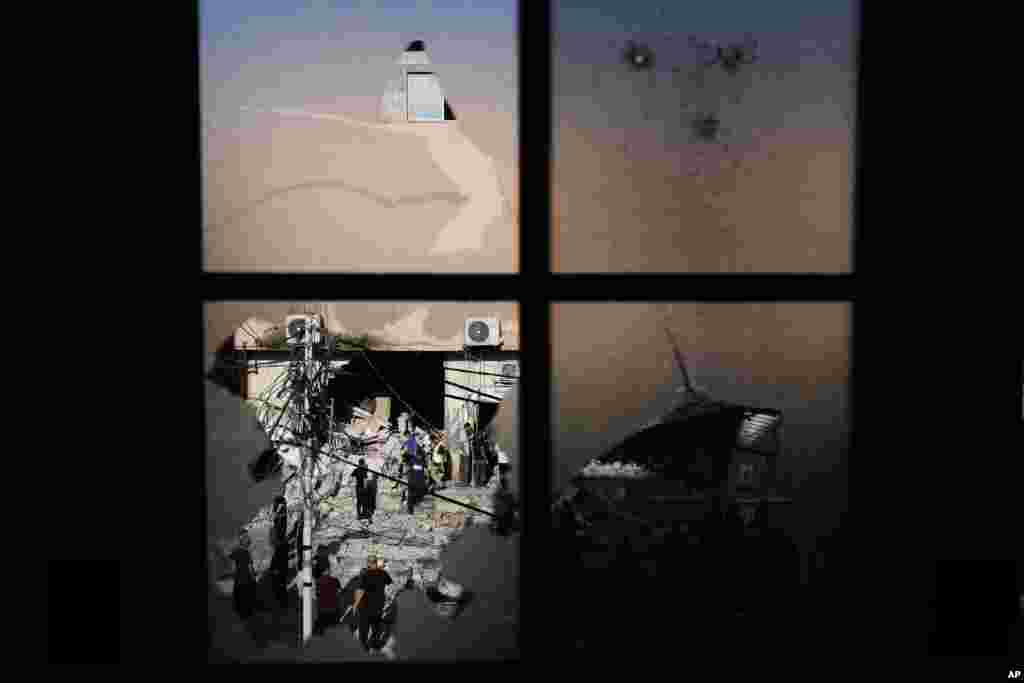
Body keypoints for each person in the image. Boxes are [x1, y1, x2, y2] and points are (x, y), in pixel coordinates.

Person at [355, 556, 394, 653]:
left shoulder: (365, 574)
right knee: (376, 627)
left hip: (365, 606)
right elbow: (391, 584)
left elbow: (360, 590)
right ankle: (375, 645)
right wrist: (388, 597)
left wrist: (355, 604)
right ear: (376, 562)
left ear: (369, 563)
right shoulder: (383, 573)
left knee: (363, 628)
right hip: (378, 605)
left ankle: (363, 647)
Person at [229, 533, 256, 620]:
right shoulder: (246, 553)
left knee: (239, 595)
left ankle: (240, 611)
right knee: (246, 595)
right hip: (246, 578)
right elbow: (250, 567)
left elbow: (231, 561)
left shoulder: (236, 551)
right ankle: (247, 613)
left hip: (238, 577)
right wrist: (253, 576)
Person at [313, 562, 342, 636]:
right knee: (332, 630)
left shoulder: (317, 581)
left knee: (323, 629)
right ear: (327, 570)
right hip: (333, 608)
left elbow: (315, 594)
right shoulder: (335, 580)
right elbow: (339, 592)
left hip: (322, 609)